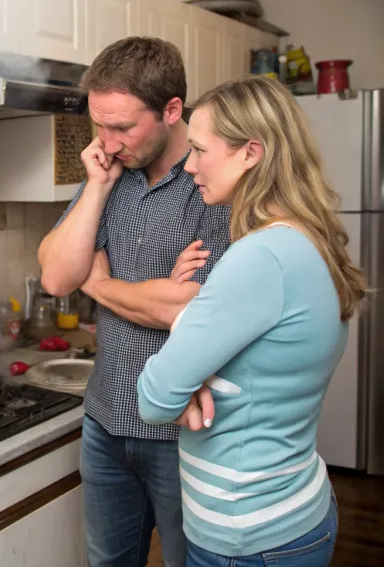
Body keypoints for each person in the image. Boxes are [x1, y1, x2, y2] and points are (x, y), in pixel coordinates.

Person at [136, 75, 368, 566]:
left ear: (250, 153)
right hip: (294, 508)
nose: (190, 165)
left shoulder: (260, 257)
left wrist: (186, 360)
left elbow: (155, 397)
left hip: (249, 536)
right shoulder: (307, 239)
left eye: (199, 149)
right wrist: (194, 365)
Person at [38, 37, 231, 567]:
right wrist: (97, 186)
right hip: (105, 420)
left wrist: (97, 284)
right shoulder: (109, 172)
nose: (107, 140)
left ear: (173, 111)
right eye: (99, 124)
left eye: (122, 127)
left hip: (181, 432)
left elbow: (185, 309)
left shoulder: (211, 181)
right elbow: (57, 276)